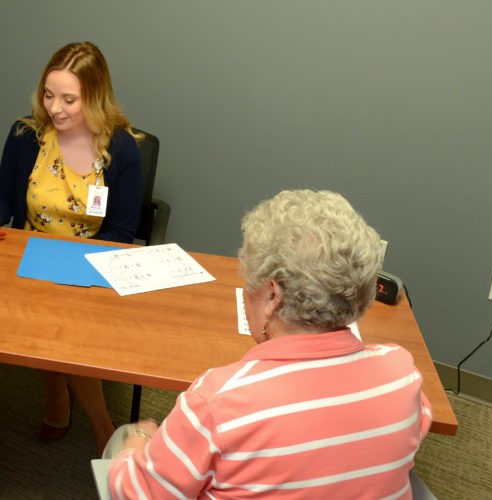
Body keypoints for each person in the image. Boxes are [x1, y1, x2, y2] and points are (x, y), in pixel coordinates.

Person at [106, 189, 432, 498]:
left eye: (249, 281)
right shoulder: (401, 372)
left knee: (122, 441)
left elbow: (140, 493)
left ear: (273, 297)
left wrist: (136, 445)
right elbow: (412, 429)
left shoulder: (214, 403)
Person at [0, 41, 143, 453]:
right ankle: (62, 400)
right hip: (31, 257)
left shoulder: (121, 150)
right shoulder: (26, 135)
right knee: (45, 320)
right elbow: (2, 196)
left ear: (95, 97)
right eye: (48, 95)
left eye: (69, 99)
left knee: (68, 330)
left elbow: (121, 232)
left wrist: (73, 267)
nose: (55, 109)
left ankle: (95, 420)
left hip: (91, 264)